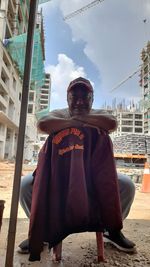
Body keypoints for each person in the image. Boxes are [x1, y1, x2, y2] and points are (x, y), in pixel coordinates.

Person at [18, 77, 136, 254]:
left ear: (92, 99)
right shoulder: (59, 112)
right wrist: (76, 122)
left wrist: (80, 119)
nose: (80, 101)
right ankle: (41, 232)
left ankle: (112, 230)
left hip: (96, 173)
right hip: (58, 173)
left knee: (127, 185)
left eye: (85, 97)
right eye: (75, 96)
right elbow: (43, 124)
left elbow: (111, 122)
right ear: (67, 98)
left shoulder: (99, 112)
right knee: (25, 185)